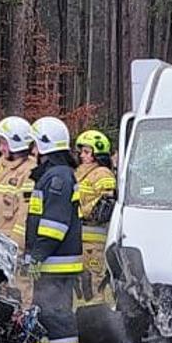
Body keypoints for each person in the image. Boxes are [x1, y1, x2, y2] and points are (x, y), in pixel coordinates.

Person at [26, 117, 83, 343]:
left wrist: (36, 254)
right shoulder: (54, 175)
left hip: (56, 263)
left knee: (57, 317)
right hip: (52, 262)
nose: (31, 150)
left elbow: (54, 224)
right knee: (44, 315)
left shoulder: (57, 177)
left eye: (34, 144)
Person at [73, 129, 118, 309]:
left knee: (94, 282)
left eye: (87, 151)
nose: (83, 155)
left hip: (95, 240)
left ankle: (97, 320)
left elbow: (105, 206)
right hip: (80, 237)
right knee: (81, 283)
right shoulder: (79, 173)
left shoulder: (103, 174)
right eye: (82, 151)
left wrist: (81, 211)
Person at [0, 116, 38, 244]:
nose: (0, 149)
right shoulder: (1, 168)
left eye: (4, 143)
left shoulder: (29, 172)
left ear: (17, 142)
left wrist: (16, 248)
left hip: (9, 243)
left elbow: (24, 217)